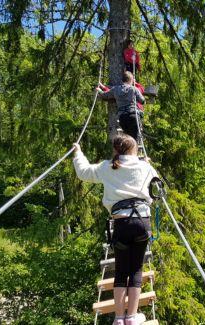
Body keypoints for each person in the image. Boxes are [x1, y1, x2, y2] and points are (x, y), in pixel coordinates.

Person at [72, 134, 158, 325]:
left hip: (121, 224)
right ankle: (132, 317)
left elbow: (84, 172)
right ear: (134, 150)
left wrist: (78, 153)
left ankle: (119, 318)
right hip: (142, 223)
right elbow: (155, 187)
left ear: (115, 150)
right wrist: (147, 163)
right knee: (136, 270)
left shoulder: (106, 166)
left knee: (121, 271)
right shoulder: (145, 166)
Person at [97, 71, 145, 141]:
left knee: (127, 138)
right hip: (133, 116)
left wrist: (99, 90)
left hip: (122, 117)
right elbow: (142, 101)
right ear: (130, 80)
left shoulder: (116, 89)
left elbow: (105, 95)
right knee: (134, 140)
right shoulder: (133, 89)